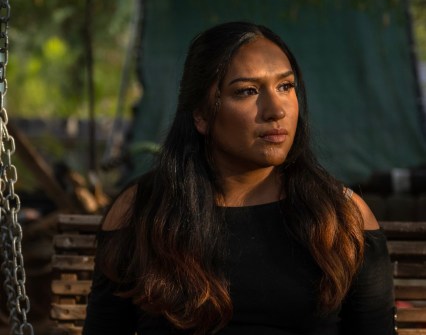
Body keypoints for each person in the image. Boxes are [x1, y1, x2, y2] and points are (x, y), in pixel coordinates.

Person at [83, 21, 395, 335]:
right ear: (201, 116)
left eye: (285, 86)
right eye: (247, 91)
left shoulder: (341, 215)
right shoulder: (143, 210)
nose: (276, 110)